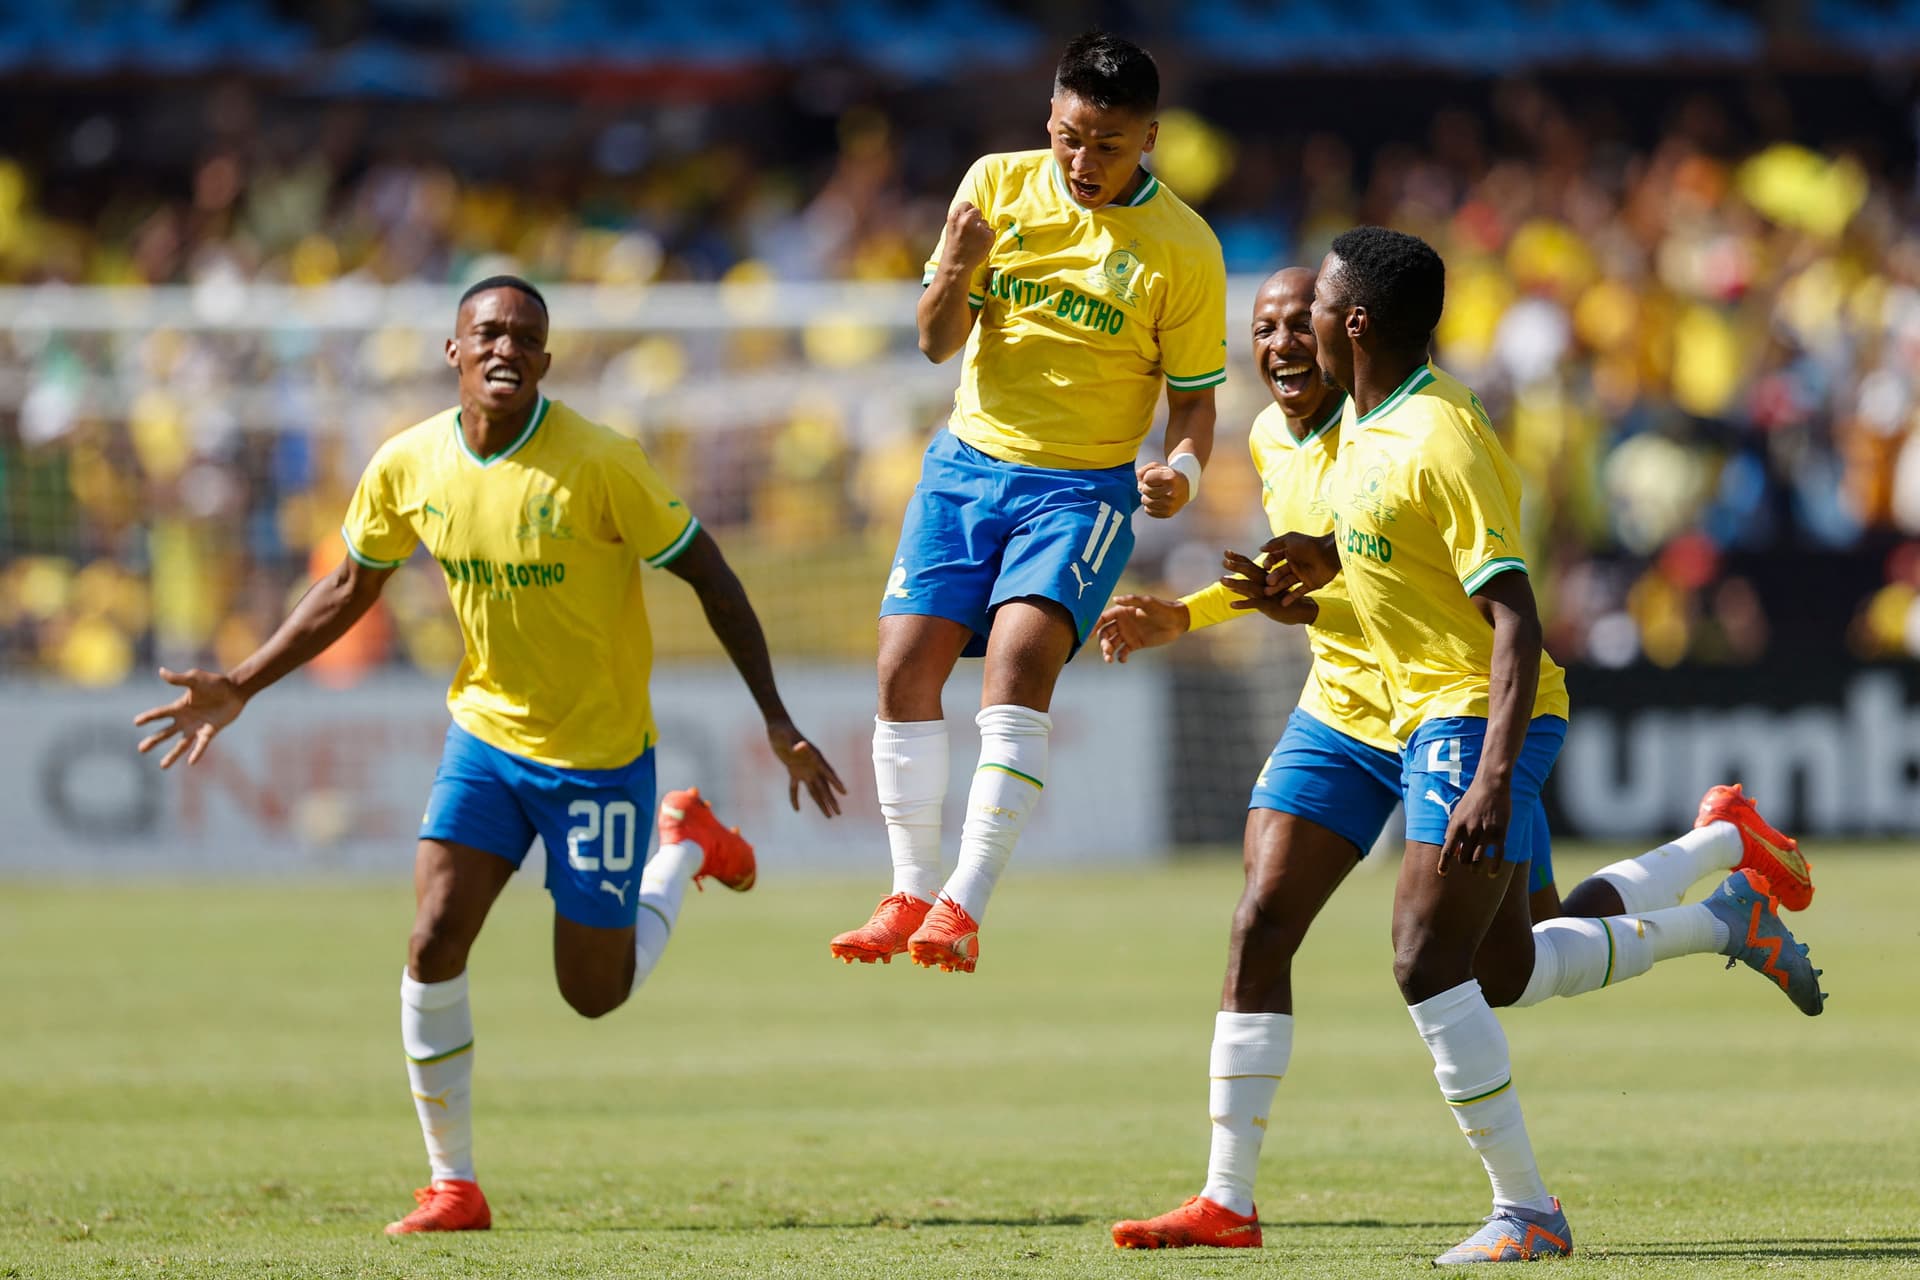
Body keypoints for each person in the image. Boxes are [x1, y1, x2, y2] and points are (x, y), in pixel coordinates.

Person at [1097, 267, 1820, 1250]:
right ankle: (1228, 1195)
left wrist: (1332, 605)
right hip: (1348, 710)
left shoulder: (1409, 428)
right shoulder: (1275, 439)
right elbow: (1358, 568)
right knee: (1264, 916)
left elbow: (1451, 589)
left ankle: (1711, 900)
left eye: (1297, 323)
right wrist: (1207, 607)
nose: (1280, 345)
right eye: (1263, 329)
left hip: (1454, 705)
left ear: (1344, 330)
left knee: (1504, 961)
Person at [132, 276, 847, 1237]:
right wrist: (245, 684)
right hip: (486, 740)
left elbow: (709, 574)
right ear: (453, 351)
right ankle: (453, 1185)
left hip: (598, 758)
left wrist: (776, 717)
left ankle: (683, 844)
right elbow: (350, 584)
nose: (506, 348)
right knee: (432, 936)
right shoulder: (407, 464)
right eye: (488, 333)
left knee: (593, 996)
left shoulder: (602, 462)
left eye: (525, 337)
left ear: (547, 361)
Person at [828, 31, 1228, 974]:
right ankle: (907, 891)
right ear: (1050, 116)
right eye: (1072, 137)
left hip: (1083, 487)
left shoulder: (1184, 248)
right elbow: (934, 342)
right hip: (966, 465)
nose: (1085, 162)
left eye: (1110, 145)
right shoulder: (995, 185)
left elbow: (1196, 401)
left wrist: (1181, 472)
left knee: (1016, 658)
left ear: (1152, 140)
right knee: (902, 668)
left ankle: (963, 902)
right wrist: (960, 263)